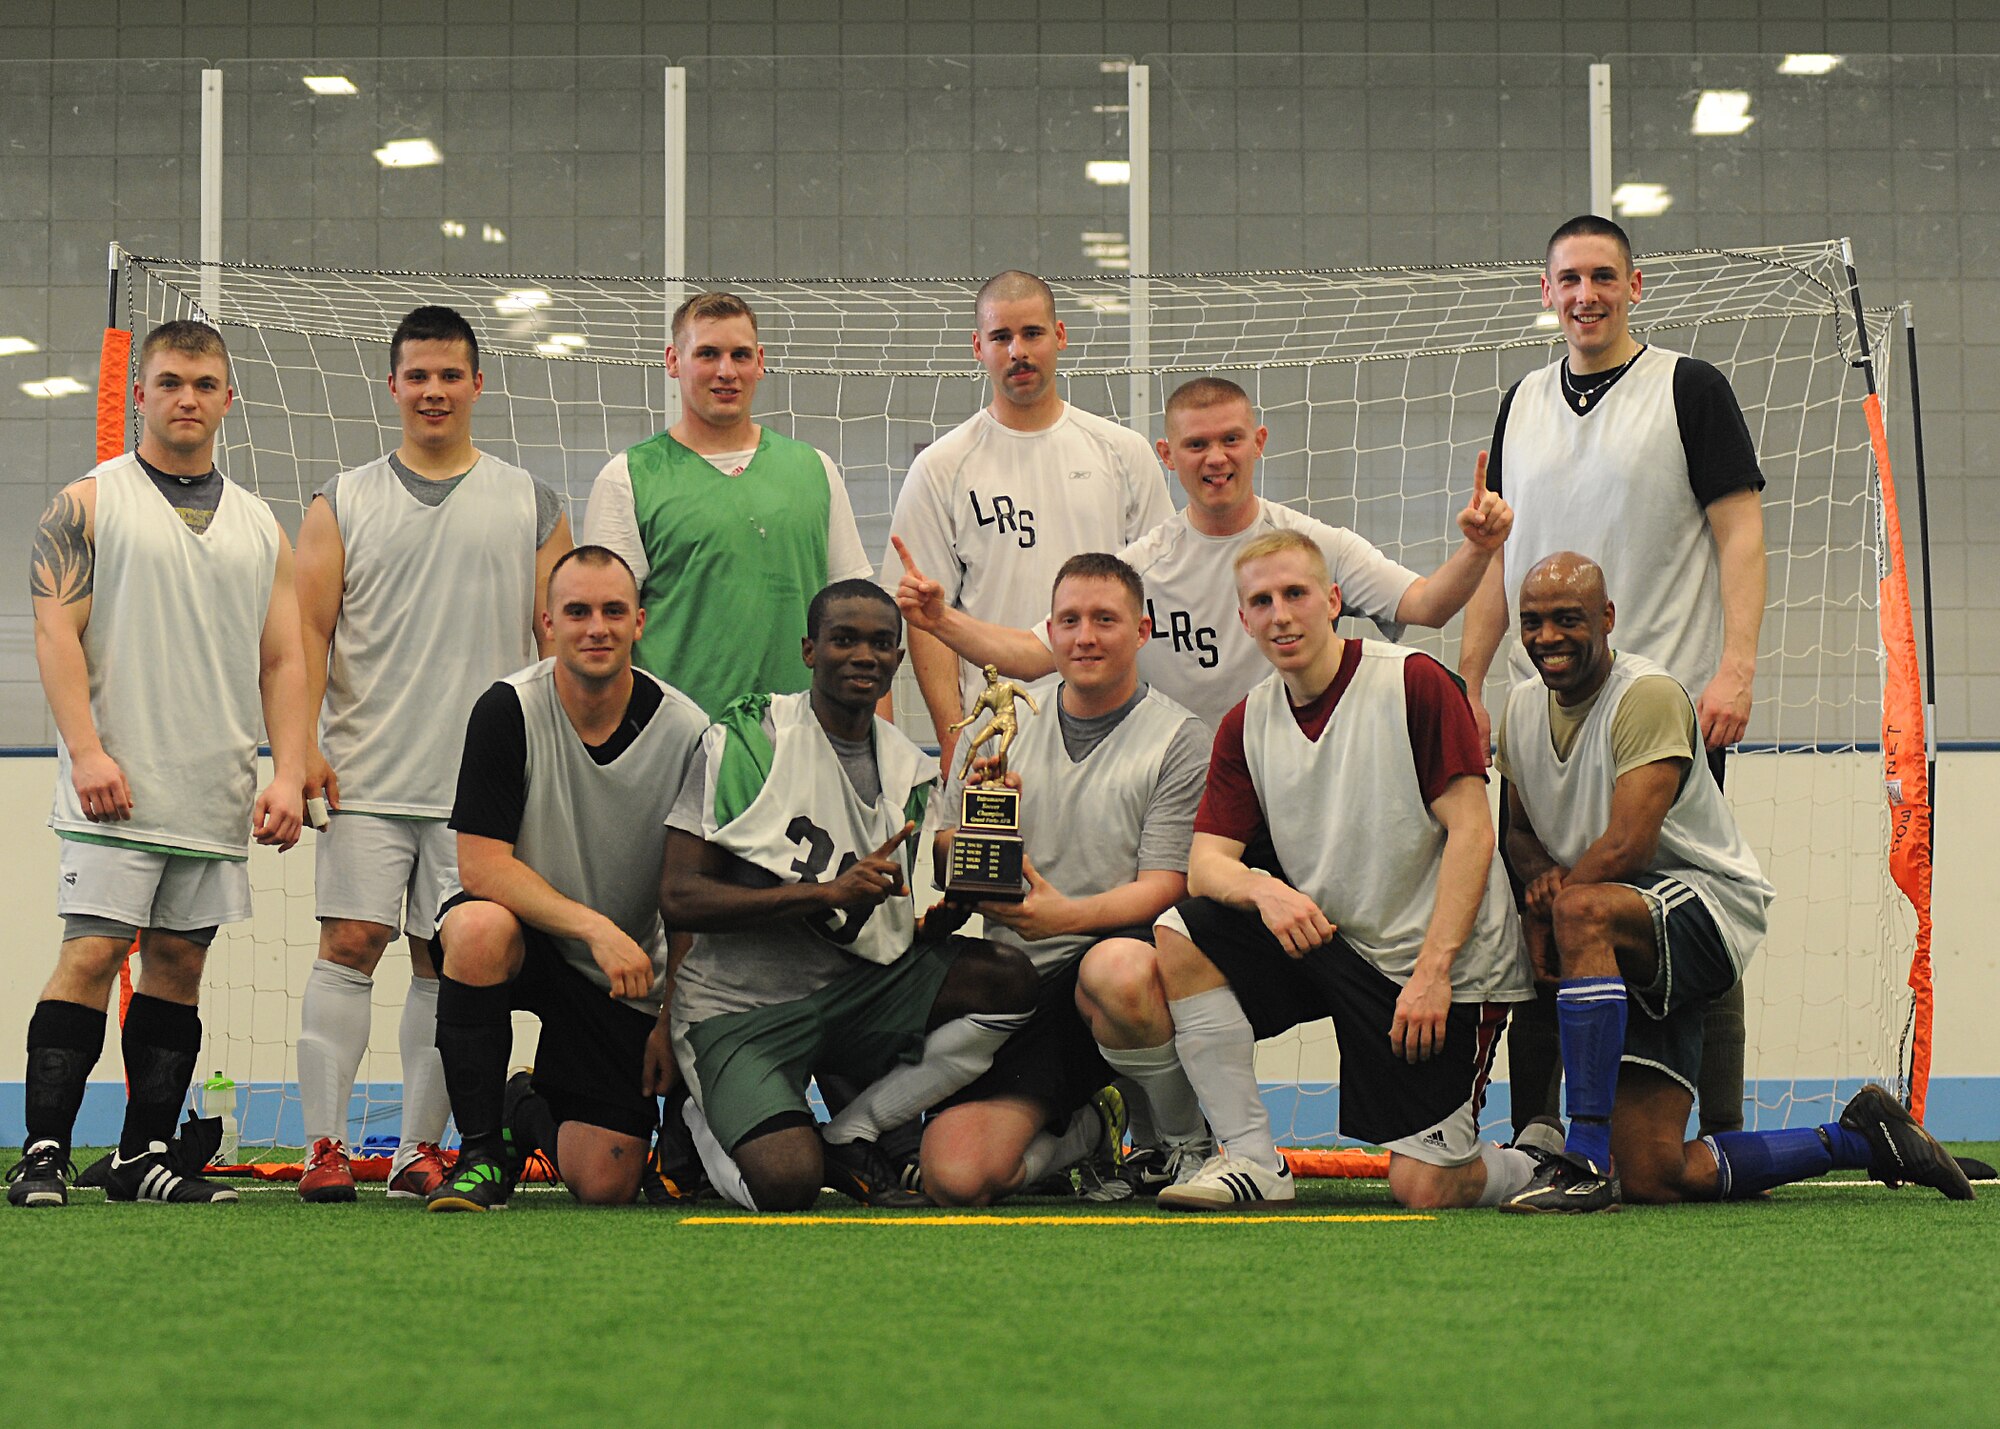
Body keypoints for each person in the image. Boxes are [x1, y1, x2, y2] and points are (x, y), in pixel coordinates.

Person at [1495, 552, 1971, 1210]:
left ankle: (1583, 1156)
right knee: (1656, 1172)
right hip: (1617, 933)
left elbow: (1629, 846)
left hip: (1707, 908)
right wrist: (1537, 881)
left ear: (1607, 618)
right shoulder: (1518, 711)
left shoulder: (1647, 696)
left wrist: (1554, 911)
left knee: (1581, 910)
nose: (1547, 636)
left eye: (1567, 619)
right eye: (1533, 621)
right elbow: (1516, 832)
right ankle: (1861, 1137)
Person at [1080, 530, 1538, 1211]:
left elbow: (1473, 831)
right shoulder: (1246, 722)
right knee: (1181, 928)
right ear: (1243, 620)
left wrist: (1435, 970)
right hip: (1329, 944)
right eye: (1261, 601)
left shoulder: (1412, 680)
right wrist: (1265, 889)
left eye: (1295, 594)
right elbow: (1206, 865)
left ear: (1332, 599)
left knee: (1425, 1187)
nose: (1280, 615)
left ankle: (1529, 1163)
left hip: (1435, 968)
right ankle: (1251, 1157)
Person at [1457, 215, 1768, 1142]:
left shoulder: (1689, 388)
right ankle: (1542, 1133)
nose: (1585, 293)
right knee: (1538, 903)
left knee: (1681, 903)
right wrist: (1471, 680)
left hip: (1661, 711)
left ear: (1638, 285)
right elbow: (1495, 559)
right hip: (1541, 711)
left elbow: (1739, 531)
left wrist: (1736, 667)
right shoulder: (1521, 400)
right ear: (1545, 292)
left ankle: (1719, 1125)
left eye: (1603, 275)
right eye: (1568, 278)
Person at [9, 320, 307, 1208]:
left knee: (180, 965)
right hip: (113, 786)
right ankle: (45, 1150)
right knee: (93, 952)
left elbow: (285, 659)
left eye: (204, 383)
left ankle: (143, 1154)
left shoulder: (260, 525)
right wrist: (87, 749)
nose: (187, 397)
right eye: (170, 381)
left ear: (227, 398)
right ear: (141, 393)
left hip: (211, 789)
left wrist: (287, 771)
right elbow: (53, 628)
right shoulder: (87, 502)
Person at [293, 305, 572, 1204]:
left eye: (451, 374)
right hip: (366, 771)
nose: (435, 390)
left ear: (479, 384)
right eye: (418, 375)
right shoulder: (340, 500)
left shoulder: (532, 502)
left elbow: (560, 648)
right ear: (394, 386)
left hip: (481, 795)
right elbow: (305, 635)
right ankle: (322, 1147)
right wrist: (296, 750)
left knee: (441, 958)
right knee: (349, 944)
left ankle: (418, 1149)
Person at [658, 580, 1039, 1211]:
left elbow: (875, 917)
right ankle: (699, 1125)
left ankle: (852, 1131)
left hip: (851, 995)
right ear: (809, 650)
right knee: (786, 1186)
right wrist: (818, 894)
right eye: (845, 639)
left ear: (898, 660)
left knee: (1009, 981)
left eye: (882, 644)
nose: (865, 655)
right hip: (737, 1010)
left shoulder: (909, 767)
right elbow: (679, 896)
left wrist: (940, 917)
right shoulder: (746, 737)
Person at [892, 375, 1511, 734]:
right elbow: (1032, 656)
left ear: (1258, 443)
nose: (1216, 459)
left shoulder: (1312, 545)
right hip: (1181, 795)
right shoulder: (1141, 567)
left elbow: (1427, 606)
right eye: (1196, 445)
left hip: (1299, 781)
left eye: (1231, 440)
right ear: (1167, 455)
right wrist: (939, 620)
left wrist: (1477, 551)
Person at [421, 547, 708, 1211]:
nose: (596, 627)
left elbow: (688, 899)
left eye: (613, 611)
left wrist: (670, 1017)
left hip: (622, 976)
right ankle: (482, 1151)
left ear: (640, 622)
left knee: (606, 1183)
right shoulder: (505, 711)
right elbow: (480, 865)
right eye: (577, 611)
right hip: (535, 936)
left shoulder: (687, 731)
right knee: (475, 926)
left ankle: (527, 1108)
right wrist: (594, 926)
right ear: (547, 624)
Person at [918, 555, 1209, 1207]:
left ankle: (1181, 1142)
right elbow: (945, 864)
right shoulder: (994, 725)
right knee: (956, 1178)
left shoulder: (1180, 738)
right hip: (1019, 982)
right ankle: (1088, 1128)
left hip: (1120, 972)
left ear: (1142, 631)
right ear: (1048, 630)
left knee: (1119, 969)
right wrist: (983, 831)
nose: (1086, 636)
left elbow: (1166, 887)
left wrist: (1064, 917)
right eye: (1070, 620)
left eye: (1106, 619)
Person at [885, 270, 1173, 767]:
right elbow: (929, 623)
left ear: (1059, 336)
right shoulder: (941, 466)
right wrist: (953, 740)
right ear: (978, 347)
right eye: (1001, 337)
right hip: (998, 733)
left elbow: (1160, 594)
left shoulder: (1123, 453)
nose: (1017, 350)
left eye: (1032, 333)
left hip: (1116, 731)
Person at [581, 290, 875, 719]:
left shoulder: (816, 469)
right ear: (673, 361)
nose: (726, 371)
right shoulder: (627, 477)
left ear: (759, 362)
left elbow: (858, 616)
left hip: (801, 737)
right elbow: (603, 636)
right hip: (675, 746)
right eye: (707, 354)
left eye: (739, 355)